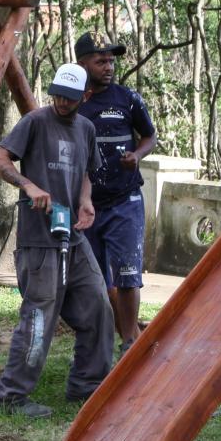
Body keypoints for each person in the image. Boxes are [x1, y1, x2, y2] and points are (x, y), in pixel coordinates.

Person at [0, 62, 114, 417]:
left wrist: (86, 200)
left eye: (70, 98)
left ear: (84, 97)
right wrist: (27, 184)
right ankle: (10, 397)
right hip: (39, 242)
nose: (61, 102)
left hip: (73, 238)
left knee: (99, 307)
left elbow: (88, 171)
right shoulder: (35, 122)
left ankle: (87, 385)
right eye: (57, 94)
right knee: (39, 318)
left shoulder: (86, 128)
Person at [75, 35, 158, 356]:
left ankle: (130, 344)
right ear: (83, 64)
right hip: (88, 205)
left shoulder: (129, 99)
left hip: (126, 201)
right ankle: (123, 333)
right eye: (101, 61)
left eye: (111, 61)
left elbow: (149, 136)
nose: (108, 67)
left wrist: (137, 155)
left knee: (127, 273)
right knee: (97, 278)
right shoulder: (73, 103)